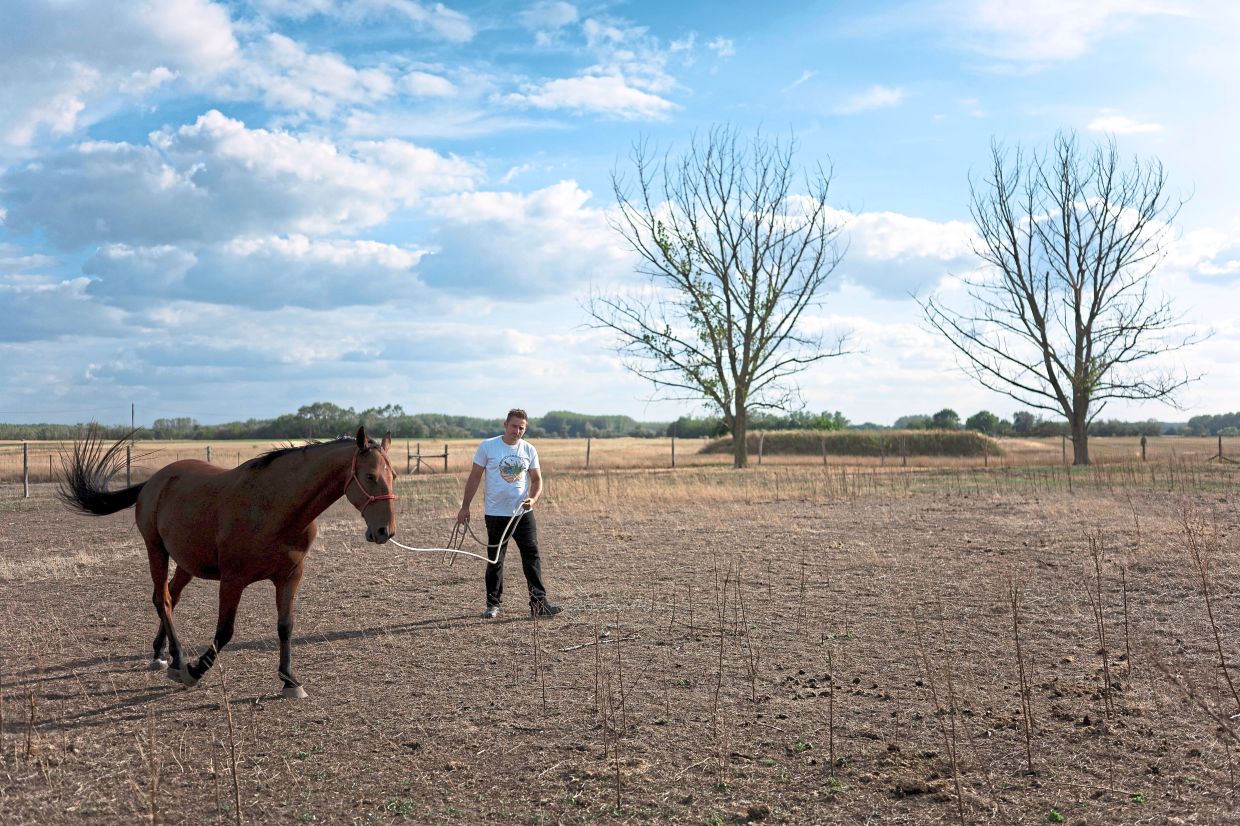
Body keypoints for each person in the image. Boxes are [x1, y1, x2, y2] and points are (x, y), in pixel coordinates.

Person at [457, 408, 563, 619]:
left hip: (522, 513)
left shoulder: (529, 450)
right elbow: (475, 477)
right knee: (496, 559)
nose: (517, 431)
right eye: (514, 426)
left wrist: (532, 499)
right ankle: (493, 605)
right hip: (496, 514)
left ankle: (539, 604)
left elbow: (537, 480)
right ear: (505, 425)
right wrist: (465, 506)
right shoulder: (488, 447)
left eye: (521, 428)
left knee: (531, 556)